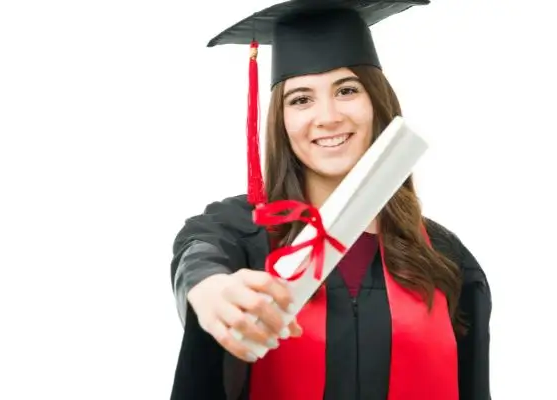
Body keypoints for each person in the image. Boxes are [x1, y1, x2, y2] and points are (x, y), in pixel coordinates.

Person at [169, 1, 492, 399]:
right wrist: (212, 291)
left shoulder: (444, 257)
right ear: (281, 120)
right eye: (301, 99)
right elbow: (198, 257)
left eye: (346, 90)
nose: (328, 116)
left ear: (377, 102)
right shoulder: (243, 232)